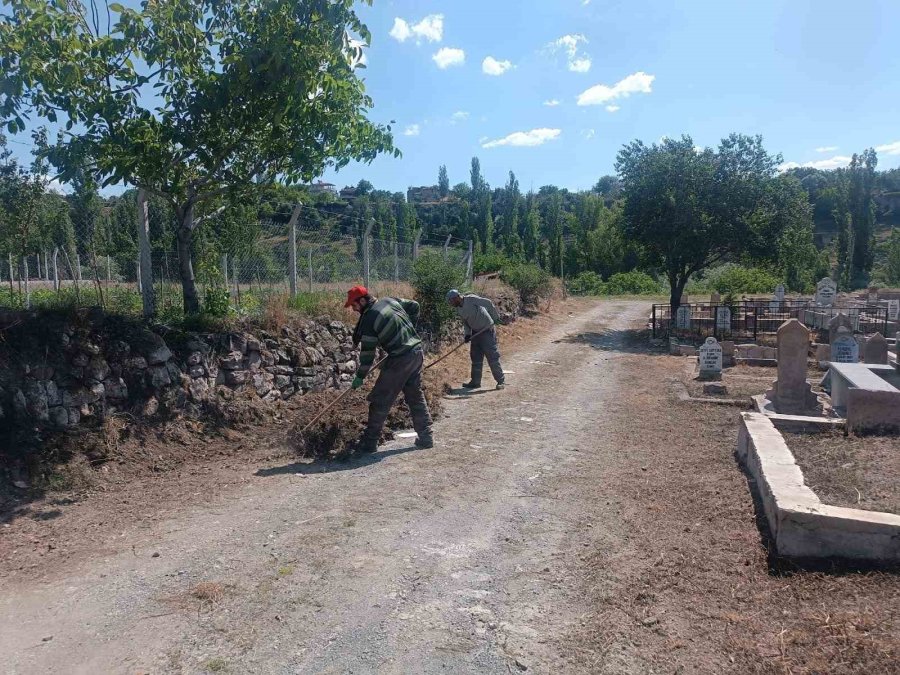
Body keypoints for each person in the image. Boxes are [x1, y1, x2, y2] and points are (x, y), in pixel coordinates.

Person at [345, 285, 433, 453]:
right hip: (416, 352)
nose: (354, 309)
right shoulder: (389, 300)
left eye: (354, 305)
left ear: (362, 300)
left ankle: (370, 443)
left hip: (400, 359)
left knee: (379, 399)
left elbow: (368, 354)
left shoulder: (370, 317)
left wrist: (360, 376)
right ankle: (426, 437)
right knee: (415, 395)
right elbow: (415, 305)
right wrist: (407, 332)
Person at [446, 289, 505, 390]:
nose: (450, 303)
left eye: (451, 301)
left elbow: (488, 303)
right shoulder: (459, 309)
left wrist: (495, 317)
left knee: (492, 356)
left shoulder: (471, 299)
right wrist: (467, 334)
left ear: (456, 298)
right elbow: (466, 323)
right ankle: (475, 382)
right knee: (476, 358)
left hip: (487, 330)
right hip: (475, 333)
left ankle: (500, 381)